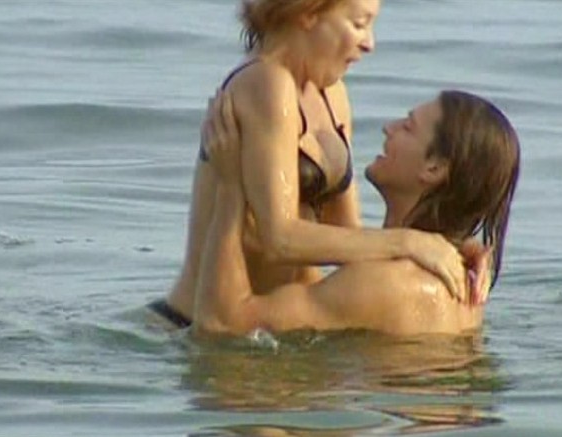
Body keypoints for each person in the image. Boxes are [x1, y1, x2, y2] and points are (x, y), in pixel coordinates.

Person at [151, 0, 468, 327]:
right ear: (308, 14)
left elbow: (347, 235)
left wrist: (451, 248)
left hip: (269, 325)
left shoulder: (333, 94)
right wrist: (410, 243)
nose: (370, 43)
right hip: (195, 322)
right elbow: (280, 239)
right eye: (359, 24)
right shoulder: (266, 83)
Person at [192, 89, 520, 336]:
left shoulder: (387, 283)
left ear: (433, 168)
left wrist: (230, 186)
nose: (388, 128)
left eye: (407, 127)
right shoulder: (459, 277)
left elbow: (223, 325)